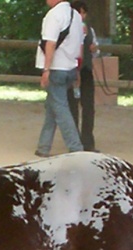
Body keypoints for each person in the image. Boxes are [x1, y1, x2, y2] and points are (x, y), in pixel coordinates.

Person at [35, 0, 85, 157]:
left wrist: (46, 69)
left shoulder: (54, 15)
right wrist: (77, 68)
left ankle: (76, 148)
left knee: (61, 109)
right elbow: (79, 45)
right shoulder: (76, 15)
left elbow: (50, 44)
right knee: (52, 107)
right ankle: (43, 147)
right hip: (70, 67)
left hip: (57, 68)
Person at [66, 0, 99, 151]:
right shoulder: (66, 30)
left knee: (88, 107)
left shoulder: (90, 30)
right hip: (71, 71)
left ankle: (88, 142)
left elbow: (96, 52)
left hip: (86, 71)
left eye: (84, 13)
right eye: (80, 12)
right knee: (72, 107)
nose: (82, 15)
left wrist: (94, 50)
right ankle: (74, 142)